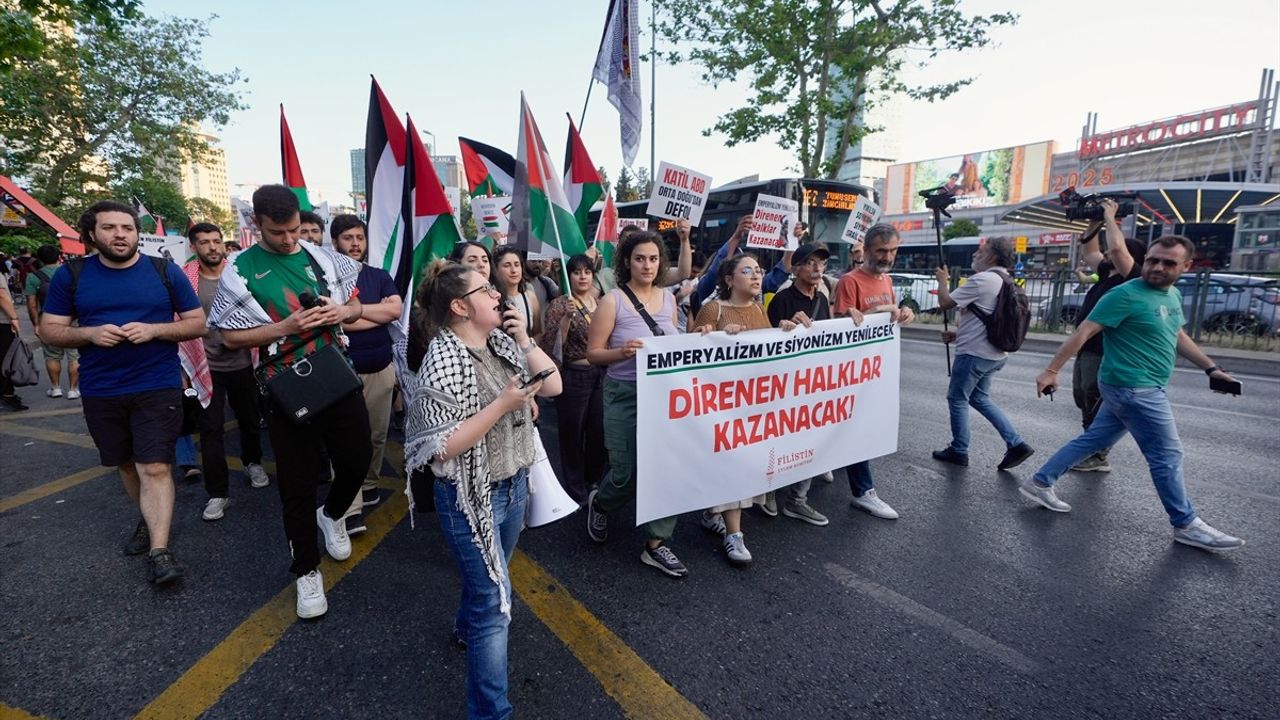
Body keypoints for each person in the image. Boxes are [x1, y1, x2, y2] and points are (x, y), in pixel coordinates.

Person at [403, 261, 560, 720]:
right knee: (494, 605)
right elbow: (441, 446)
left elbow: (553, 385)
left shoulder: (501, 342)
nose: (497, 294)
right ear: (459, 306)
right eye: (485, 289)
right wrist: (505, 404)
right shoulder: (443, 358)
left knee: (489, 579)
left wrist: (526, 341)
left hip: (512, 487)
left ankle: (462, 627)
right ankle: (491, 713)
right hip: (472, 498)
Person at [208, 185, 373, 618]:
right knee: (296, 483)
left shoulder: (322, 257)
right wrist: (287, 326)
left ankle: (332, 513)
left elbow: (356, 309)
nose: (289, 240)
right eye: (278, 232)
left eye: (295, 230)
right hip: (284, 385)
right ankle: (306, 571)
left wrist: (341, 313)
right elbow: (228, 336)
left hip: (335, 372)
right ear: (255, 225)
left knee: (358, 460)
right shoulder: (238, 269)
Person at [1025, 235, 1245, 552]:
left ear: (1186, 266)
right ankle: (1186, 523)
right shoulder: (1124, 295)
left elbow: (1178, 335)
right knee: (1167, 456)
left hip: (1132, 386)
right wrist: (1052, 370)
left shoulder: (1168, 296)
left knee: (1095, 439)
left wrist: (1211, 369)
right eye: (1153, 260)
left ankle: (1040, 482)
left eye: (1168, 263)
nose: (1157, 267)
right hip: (1134, 388)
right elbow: (1084, 331)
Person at [39, 200, 207, 584]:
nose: (120, 234)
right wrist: (89, 334)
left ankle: (160, 551)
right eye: (110, 228)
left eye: (127, 228)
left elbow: (197, 323)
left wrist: (154, 330)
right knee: (126, 463)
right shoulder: (72, 276)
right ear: (93, 234)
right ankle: (148, 521)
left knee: (156, 465)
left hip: (157, 383)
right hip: (101, 388)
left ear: (137, 233)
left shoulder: (165, 271)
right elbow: (50, 329)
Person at [585, 231, 688, 577]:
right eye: (640, 258)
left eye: (654, 258)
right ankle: (601, 502)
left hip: (664, 396)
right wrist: (621, 352)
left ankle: (657, 543)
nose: (647, 265)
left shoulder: (669, 299)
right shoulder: (612, 301)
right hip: (624, 394)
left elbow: (673, 342)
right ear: (627, 261)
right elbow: (593, 354)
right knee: (626, 472)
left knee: (666, 467)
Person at [693, 252, 799, 564]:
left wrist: (784, 331)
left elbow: (766, 355)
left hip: (751, 407)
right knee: (730, 465)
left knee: (739, 465)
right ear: (728, 279)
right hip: (719, 408)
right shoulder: (713, 308)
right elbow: (690, 355)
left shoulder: (757, 310)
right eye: (747, 271)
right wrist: (715, 337)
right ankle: (734, 535)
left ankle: (715, 513)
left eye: (759, 271)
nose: (756, 276)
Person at [184, 222, 270, 522]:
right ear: (193, 247)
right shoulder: (186, 281)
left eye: (217, 241)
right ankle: (217, 493)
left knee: (249, 420)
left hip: (245, 363)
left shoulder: (240, 275)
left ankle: (253, 462)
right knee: (210, 430)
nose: (213, 247)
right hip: (205, 368)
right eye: (205, 242)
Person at [930, 238, 1034, 469]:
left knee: (957, 399)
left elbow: (946, 302)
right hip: (995, 354)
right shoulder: (1007, 280)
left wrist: (942, 281)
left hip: (973, 355)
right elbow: (990, 319)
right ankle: (1016, 444)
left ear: (991, 257)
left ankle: (959, 450)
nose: (976, 254)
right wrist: (958, 335)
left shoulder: (982, 280)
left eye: (981, 251)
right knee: (979, 398)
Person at [831, 224, 912, 520]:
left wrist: (901, 313)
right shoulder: (849, 281)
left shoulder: (886, 280)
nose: (887, 257)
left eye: (892, 251)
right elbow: (839, 328)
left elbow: (886, 319)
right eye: (881, 251)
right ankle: (863, 491)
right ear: (865, 250)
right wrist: (882, 311)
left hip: (872, 370)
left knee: (852, 427)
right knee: (856, 427)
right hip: (849, 369)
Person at [330, 214, 403, 534]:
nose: (355, 243)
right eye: (348, 237)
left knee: (376, 434)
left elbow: (395, 311)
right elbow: (334, 321)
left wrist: (350, 312)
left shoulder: (379, 275)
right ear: (334, 243)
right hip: (341, 372)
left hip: (380, 368)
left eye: (360, 237)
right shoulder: (326, 278)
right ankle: (349, 506)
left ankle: (369, 482)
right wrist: (373, 313)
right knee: (346, 439)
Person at [1070, 199, 1143, 473]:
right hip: (1088, 346)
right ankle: (1091, 445)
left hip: (1105, 349)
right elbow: (1090, 248)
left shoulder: (1132, 277)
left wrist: (1111, 218)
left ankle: (1098, 453)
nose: (1110, 254)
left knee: (1095, 398)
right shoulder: (1106, 272)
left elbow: (1114, 247)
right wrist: (1095, 221)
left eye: (1117, 253)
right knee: (1083, 395)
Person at [763, 243, 834, 524]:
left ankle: (797, 499)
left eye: (822, 264)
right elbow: (765, 342)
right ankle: (766, 491)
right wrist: (786, 327)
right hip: (784, 384)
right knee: (776, 440)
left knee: (810, 438)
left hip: (812, 383)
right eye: (811, 263)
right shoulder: (781, 299)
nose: (818, 269)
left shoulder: (823, 300)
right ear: (796, 269)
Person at [538, 253, 606, 504]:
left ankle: (593, 480)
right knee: (572, 433)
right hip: (574, 375)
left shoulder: (601, 301)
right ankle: (574, 487)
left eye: (587, 272)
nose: (582, 276)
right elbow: (553, 346)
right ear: (569, 276)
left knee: (597, 431)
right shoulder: (560, 304)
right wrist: (566, 319)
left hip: (601, 374)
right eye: (577, 272)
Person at [25, 245, 81, 399]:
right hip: (73, 319)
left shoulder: (33, 277)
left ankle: (55, 388)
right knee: (74, 356)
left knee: (52, 355)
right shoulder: (71, 272)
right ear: (58, 256)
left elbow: (31, 303)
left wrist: (36, 324)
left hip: (47, 320)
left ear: (40, 259)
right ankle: (73, 389)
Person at [492, 246, 541, 339]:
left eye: (517, 264)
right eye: (507, 265)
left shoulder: (530, 297)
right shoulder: (491, 299)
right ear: (496, 269)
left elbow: (537, 333)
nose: (514, 270)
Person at [0, 274, 27, 411]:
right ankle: (6, 396)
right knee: (7, 360)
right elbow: (2, 295)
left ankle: (8, 395)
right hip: (2, 322)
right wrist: (14, 318)